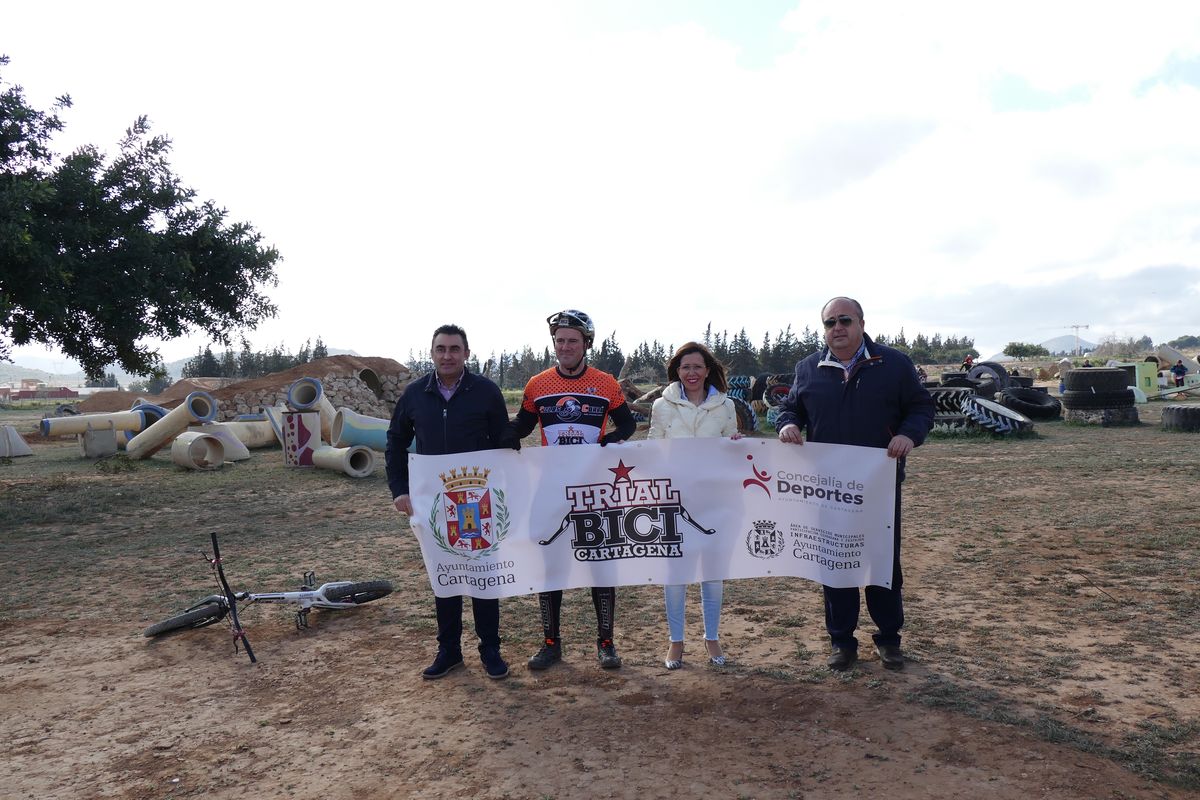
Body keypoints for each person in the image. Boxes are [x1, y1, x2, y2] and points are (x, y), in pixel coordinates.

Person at [775, 297, 934, 671]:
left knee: (882, 563)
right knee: (835, 561)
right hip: (828, 489)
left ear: (862, 323)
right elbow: (791, 408)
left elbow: (921, 407)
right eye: (829, 323)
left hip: (879, 484)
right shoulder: (808, 368)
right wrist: (787, 423)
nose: (837, 328)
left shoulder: (893, 364)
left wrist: (909, 435)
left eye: (844, 320)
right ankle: (842, 642)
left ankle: (889, 640)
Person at [509, 309, 636, 670]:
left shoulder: (605, 383)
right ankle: (551, 644)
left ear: (586, 344)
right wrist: (497, 436)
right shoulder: (537, 384)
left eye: (572, 341)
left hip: (594, 490)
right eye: (559, 340)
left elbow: (627, 425)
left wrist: (607, 443)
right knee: (551, 565)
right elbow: (523, 425)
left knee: (601, 566)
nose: (565, 346)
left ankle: (606, 643)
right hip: (551, 489)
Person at [386, 324, 513, 681]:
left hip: (478, 501)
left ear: (466, 353)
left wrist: (513, 441)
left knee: (483, 576)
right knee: (446, 575)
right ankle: (449, 650)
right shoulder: (415, 395)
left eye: (454, 349)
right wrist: (399, 489)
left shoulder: (486, 391)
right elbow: (395, 441)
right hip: (434, 503)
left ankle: (490, 649)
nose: (447, 356)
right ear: (432, 353)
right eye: (441, 349)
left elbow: (502, 437)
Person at [647, 342, 741, 670]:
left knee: (712, 572)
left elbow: (732, 448)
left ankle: (711, 637)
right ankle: (676, 641)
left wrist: (736, 445)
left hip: (714, 499)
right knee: (676, 572)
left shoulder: (726, 405)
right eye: (685, 367)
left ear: (707, 370)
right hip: (674, 500)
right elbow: (653, 448)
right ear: (677, 371)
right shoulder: (662, 405)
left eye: (697, 367)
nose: (691, 373)